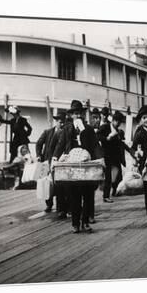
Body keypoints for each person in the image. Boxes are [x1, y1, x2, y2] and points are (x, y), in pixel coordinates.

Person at [53, 100, 99, 233]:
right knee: (74, 196)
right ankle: (75, 223)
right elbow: (60, 145)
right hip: (72, 165)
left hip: (86, 164)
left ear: (83, 115)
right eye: (75, 114)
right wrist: (55, 158)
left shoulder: (89, 129)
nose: (77, 116)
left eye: (79, 114)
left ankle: (85, 222)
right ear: (71, 115)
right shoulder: (67, 129)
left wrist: (100, 158)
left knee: (88, 195)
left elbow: (95, 145)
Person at [36, 112, 67, 214]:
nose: (62, 124)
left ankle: (60, 208)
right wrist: (38, 155)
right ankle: (48, 205)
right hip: (46, 161)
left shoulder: (66, 133)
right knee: (45, 183)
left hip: (59, 162)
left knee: (58, 185)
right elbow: (39, 143)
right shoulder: (48, 132)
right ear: (56, 122)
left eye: (63, 122)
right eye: (60, 122)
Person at [97, 110, 131, 203]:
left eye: (120, 122)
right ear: (113, 120)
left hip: (116, 156)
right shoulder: (105, 127)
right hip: (107, 155)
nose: (118, 124)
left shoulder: (119, 131)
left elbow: (121, 143)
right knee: (108, 176)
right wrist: (107, 138)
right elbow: (98, 136)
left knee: (118, 174)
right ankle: (106, 196)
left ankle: (114, 191)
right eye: (117, 121)